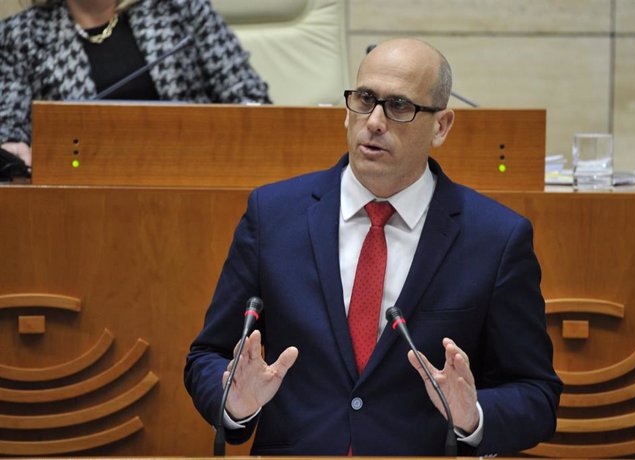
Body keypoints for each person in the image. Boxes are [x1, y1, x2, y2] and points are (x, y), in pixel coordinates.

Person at [184, 37, 562, 457]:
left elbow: (537, 395)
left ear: (441, 126)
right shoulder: (273, 215)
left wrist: (472, 414)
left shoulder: (495, 238)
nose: (375, 121)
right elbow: (208, 354)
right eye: (364, 99)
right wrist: (236, 402)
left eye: (399, 106)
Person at [0, 0, 271, 167]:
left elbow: (248, 97)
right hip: (79, 188)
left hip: (191, 173)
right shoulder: (20, 34)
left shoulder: (181, 8)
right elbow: (9, 129)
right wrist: (15, 154)